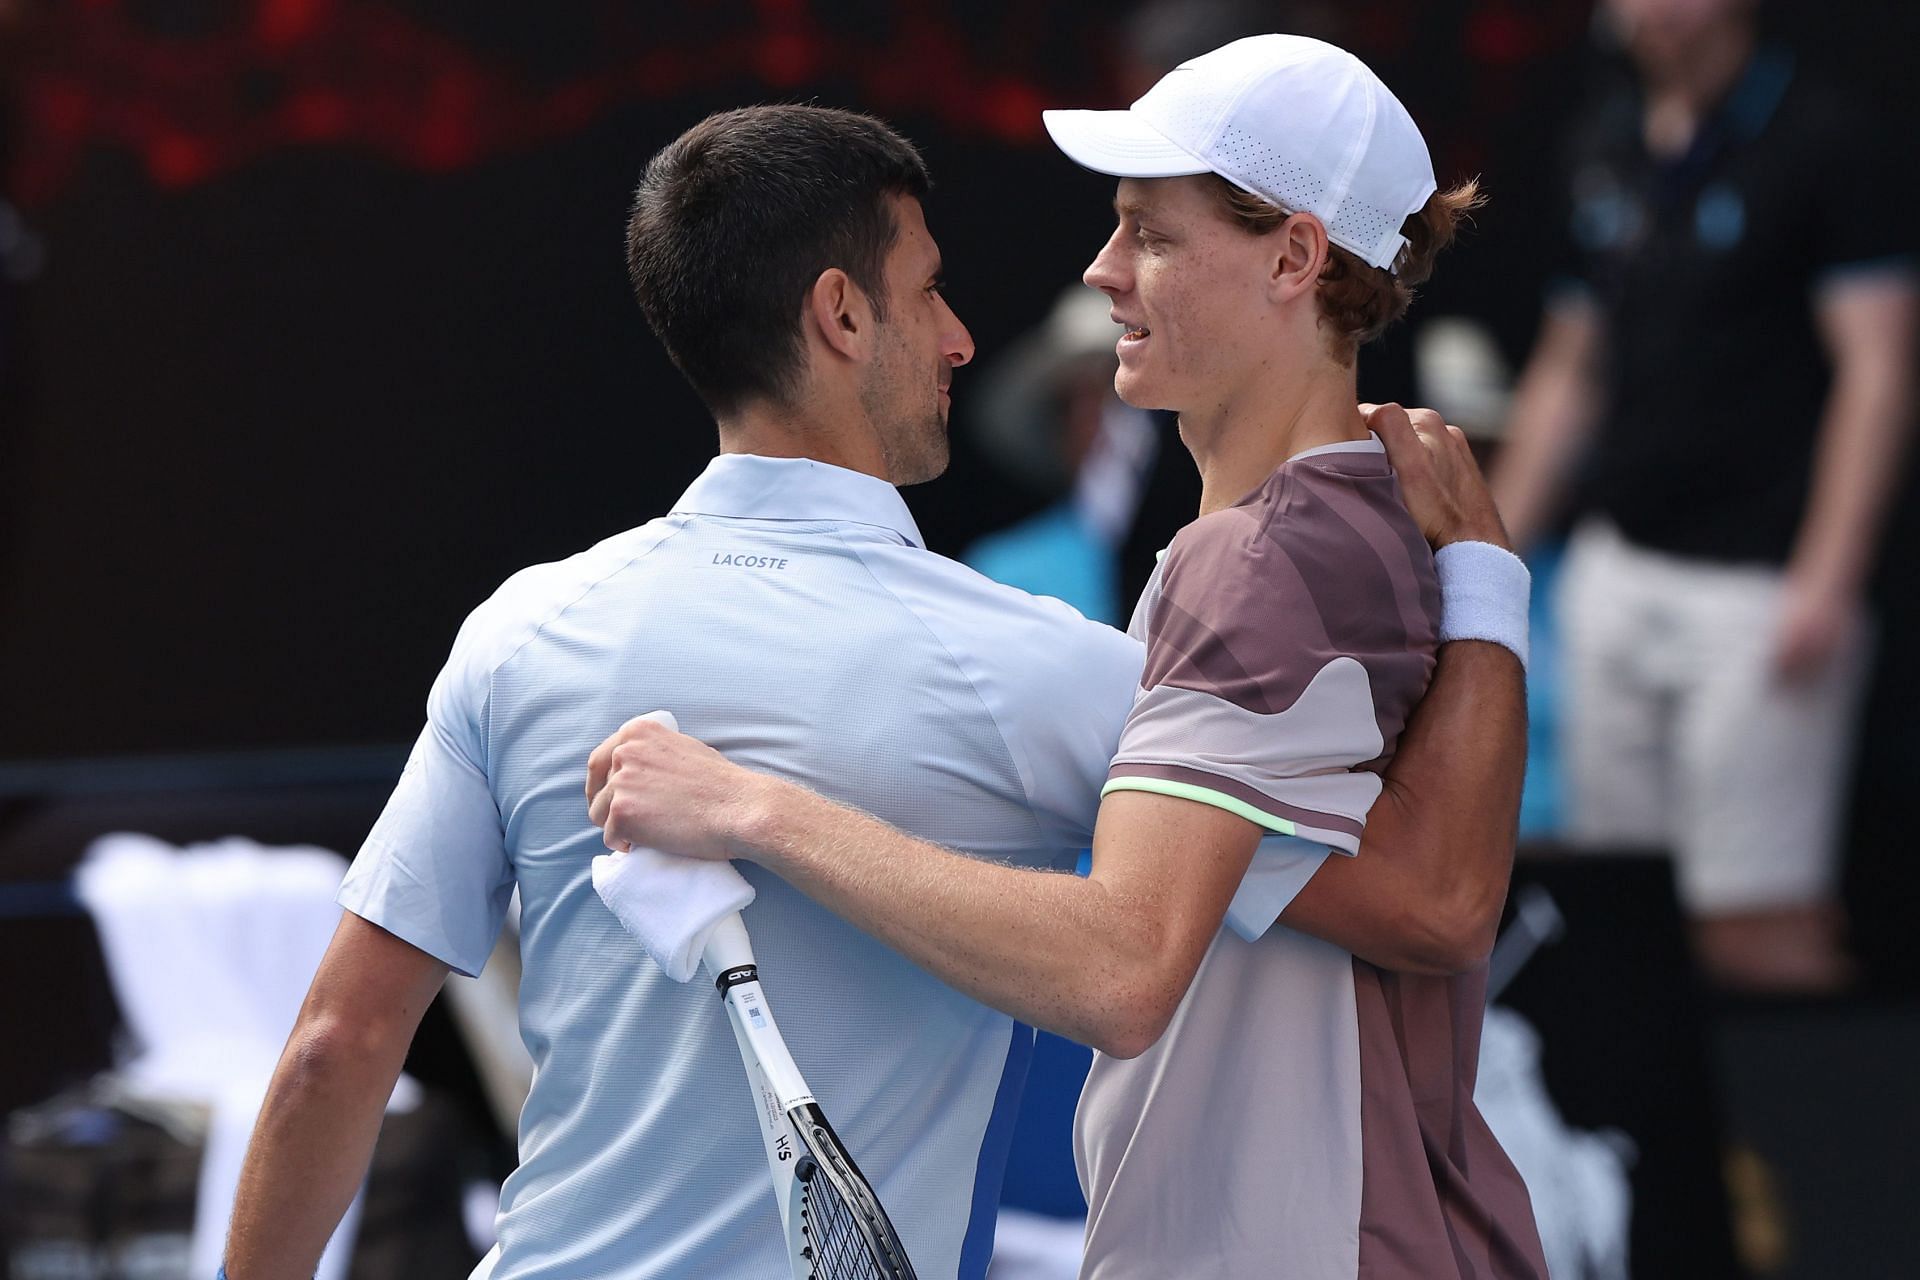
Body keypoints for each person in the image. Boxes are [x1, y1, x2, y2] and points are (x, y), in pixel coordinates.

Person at [216, 102, 1497, 1280]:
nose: (959, 335)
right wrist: (1488, 589)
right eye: (930, 291)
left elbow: (337, 1043)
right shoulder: (1048, 670)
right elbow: (1426, 903)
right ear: (840, 315)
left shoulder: (521, 632)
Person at [588, 36, 1547, 1280]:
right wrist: (1488, 591)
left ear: (1295, 257)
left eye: (1152, 233)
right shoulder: (1365, 528)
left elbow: (1123, 960)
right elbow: (1415, 897)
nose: (1103, 270)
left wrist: (751, 805)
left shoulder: (1257, 564)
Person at [1490, 0, 1917, 991]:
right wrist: (1491, 552)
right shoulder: (1603, 139)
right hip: (1617, 568)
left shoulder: (1825, 137)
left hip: (1763, 585)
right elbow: (1571, 366)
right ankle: (1663, 1147)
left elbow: (1878, 369)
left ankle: (1806, 1141)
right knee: (1616, 907)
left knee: (1755, 924)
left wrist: (1829, 573)